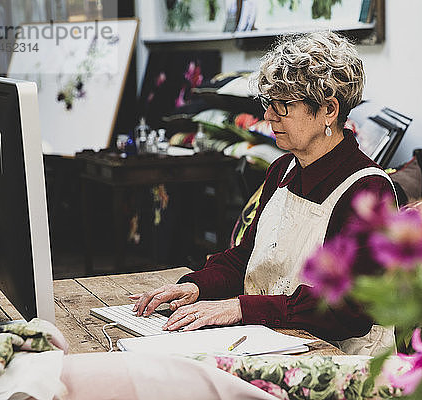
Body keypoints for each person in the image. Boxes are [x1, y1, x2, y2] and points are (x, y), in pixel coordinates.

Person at [132, 31, 397, 355]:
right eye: (268, 104)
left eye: (283, 105)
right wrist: (196, 285)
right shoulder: (283, 169)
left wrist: (239, 309)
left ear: (329, 110)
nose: (269, 116)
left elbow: (350, 309)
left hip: (342, 363)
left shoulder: (368, 190)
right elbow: (247, 257)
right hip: (273, 341)